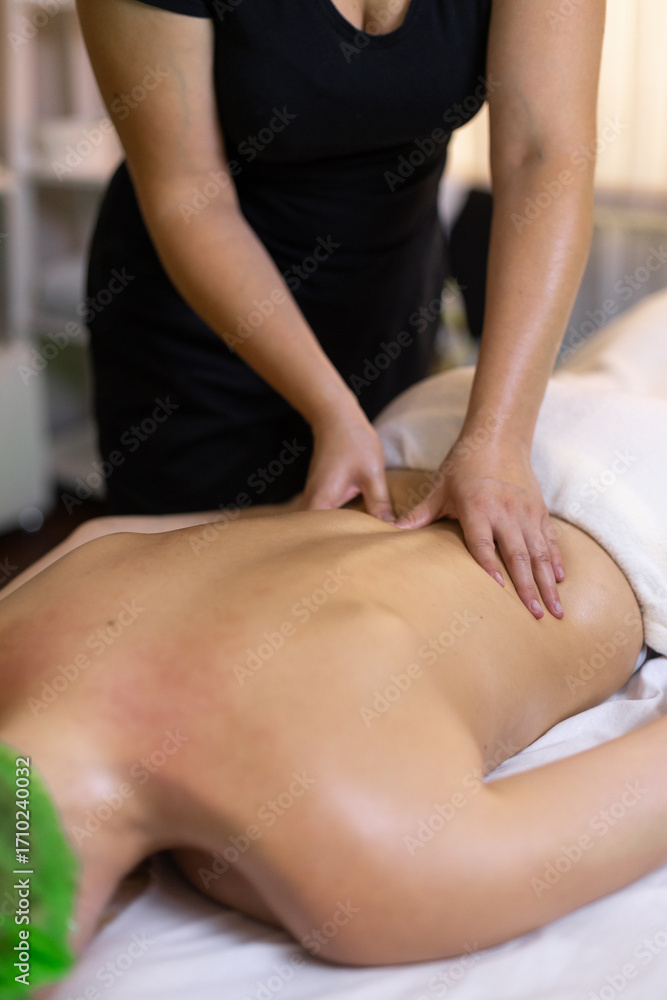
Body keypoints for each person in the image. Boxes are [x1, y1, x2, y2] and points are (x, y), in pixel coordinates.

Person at [1, 461, 666, 999]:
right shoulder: (24, 620)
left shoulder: (362, 863)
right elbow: (105, 533)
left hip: (618, 503)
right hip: (414, 456)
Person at [75, 0, 607, 620]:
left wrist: (498, 438)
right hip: (201, 332)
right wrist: (330, 409)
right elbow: (188, 190)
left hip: (386, 314)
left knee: (348, 595)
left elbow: (543, 158)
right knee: (186, 606)